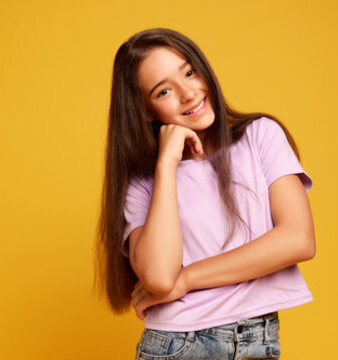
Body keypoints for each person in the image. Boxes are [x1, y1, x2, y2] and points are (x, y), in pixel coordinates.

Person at [95, 28, 317, 359]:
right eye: (164, 90)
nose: (188, 93)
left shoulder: (260, 136)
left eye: (190, 72)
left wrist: (186, 280)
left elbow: (298, 239)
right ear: (145, 110)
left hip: (259, 338)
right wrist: (167, 163)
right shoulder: (144, 182)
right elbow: (157, 276)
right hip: (179, 344)